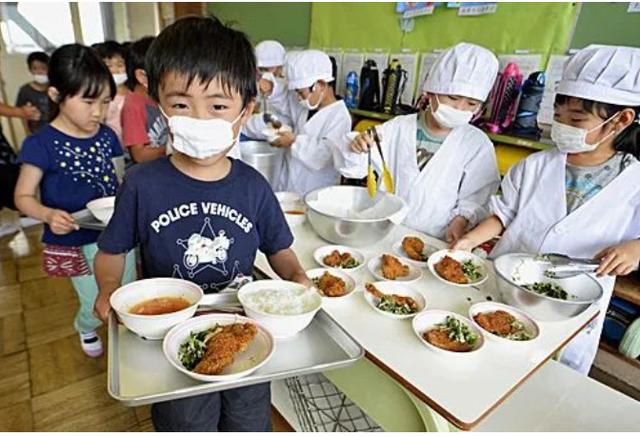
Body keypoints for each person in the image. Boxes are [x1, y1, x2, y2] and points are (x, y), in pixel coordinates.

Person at [92, 16, 311, 431]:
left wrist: (297, 276)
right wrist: (107, 288)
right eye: (180, 105)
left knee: (248, 419)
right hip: (169, 336)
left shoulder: (252, 186)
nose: (198, 119)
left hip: (246, 331)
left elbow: (279, 249)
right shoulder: (142, 183)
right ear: (160, 106)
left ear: (245, 112)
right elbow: (111, 251)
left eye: (217, 106)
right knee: (185, 422)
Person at [453, 44, 640, 375]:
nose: (563, 126)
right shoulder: (535, 166)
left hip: (572, 307)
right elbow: (502, 215)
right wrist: (468, 242)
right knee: (484, 366)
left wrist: (636, 248)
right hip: (507, 288)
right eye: (558, 116)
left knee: (544, 383)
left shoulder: (634, 180)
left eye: (577, 119)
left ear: (621, 120)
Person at [13, 44, 136, 357]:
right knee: (92, 296)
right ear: (56, 96)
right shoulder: (40, 143)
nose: (99, 111)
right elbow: (23, 197)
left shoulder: (107, 136)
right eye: (88, 101)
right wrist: (48, 214)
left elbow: (120, 179)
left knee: (126, 289)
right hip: (75, 237)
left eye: (106, 101)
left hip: (116, 233)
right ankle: (85, 325)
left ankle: (127, 334)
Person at [342, 43, 500, 242]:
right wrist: (358, 146)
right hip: (385, 229)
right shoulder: (397, 128)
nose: (460, 108)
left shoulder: (477, 144)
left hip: (435, 239)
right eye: (453, 97)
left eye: (471, 104)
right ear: (432, 90)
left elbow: (477, 195)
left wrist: (461, 219)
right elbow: (354, 169)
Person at [271, 49, 351, 196]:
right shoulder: (306, 107)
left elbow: (324, 156)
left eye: (301, 93)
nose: (299, 98)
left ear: (320, 85)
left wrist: (293, 141)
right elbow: (284, 104)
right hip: (290, 187)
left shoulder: (339, 117)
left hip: (316, 191)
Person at [120, 36, 168, 163]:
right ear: (142, 76)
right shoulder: (133, 106)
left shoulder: (159, 98)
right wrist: (171, 149)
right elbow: (140, 155)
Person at [242, 40, 292, 140]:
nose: (263, 74)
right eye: (260, 69)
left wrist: (271, 88)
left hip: (278, 134)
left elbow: (276, 91)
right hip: (251, 130)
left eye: (267, 69)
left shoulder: (287, 87)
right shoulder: (258, 80)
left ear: (280, 67)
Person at [93, 41, 129, 145]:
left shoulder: (132, 93)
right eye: (109, 66)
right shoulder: (99, 97)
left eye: (120, 65)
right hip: (111, 147)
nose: (115, 70)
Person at [15, 51, 50, 134]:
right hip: (37, 132)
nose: (39, 72)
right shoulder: (25, 90)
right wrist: (27, 133)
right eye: (35, 68)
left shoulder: (56, 88)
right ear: (30, 70)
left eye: (43, 68)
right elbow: (22, 115)